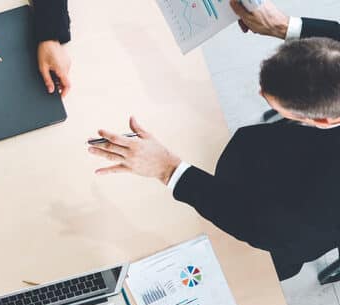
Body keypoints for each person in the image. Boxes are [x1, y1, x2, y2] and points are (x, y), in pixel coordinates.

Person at [87, 8, 340, 280]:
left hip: (284, 226)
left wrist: (169, 170)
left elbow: (268, 228)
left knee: (250, 263)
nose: (258, 94)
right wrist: (283, 27)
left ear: (325, 121)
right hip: (292, 158)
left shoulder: (321, 206)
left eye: (272, 102)